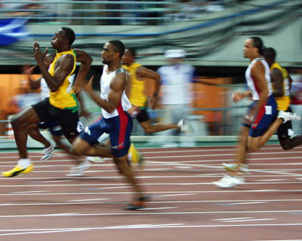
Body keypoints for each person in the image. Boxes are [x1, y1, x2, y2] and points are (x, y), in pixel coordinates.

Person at [213, 37, 301, 189]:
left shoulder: (264, 67)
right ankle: (237, 171)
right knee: (242, 136)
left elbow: (266, 91)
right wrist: (244, 94)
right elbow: (261, 88)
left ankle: (281, 119)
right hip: (262, 103)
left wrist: (256, 108)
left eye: (247, 46)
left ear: (256, 50)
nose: (243, 49)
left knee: (254, 145)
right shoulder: (258, 64)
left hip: (269, 105)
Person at [2, 27, 89, 177]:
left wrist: (79, 85)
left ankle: (112, 152)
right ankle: (30, 159)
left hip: (63, 108)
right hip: (50, 108)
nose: (48, 62)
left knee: (77, 144)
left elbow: (63, 85)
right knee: (21, 123)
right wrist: (28, 74)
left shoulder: (67, 61)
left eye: (49, 60)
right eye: (47, 61)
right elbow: (34, 86)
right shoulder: (49, 71)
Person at [72, 40, 147, 210]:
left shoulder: (120, 77)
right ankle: (117, 153)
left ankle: (140, 195)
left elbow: (111, 106)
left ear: (116, 55)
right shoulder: (106, 68)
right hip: (105, 119)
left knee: (121, 166)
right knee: (77, 148)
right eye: (102, 50)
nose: (102, 53)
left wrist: (90, 93)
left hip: (119, 122)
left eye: (105, 50)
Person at [156, 49, 195, 146]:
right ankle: (169, 142)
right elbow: (160, 87)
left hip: (184, 101)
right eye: (173, 58)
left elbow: (190, 85)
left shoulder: (189, 69)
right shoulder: (162, 70)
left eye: (178, 58)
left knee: (184, 122)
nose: (176, 60)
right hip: (168, 102)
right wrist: (159, 100)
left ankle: (187, 141)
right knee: (168, 123)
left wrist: (191, 100)